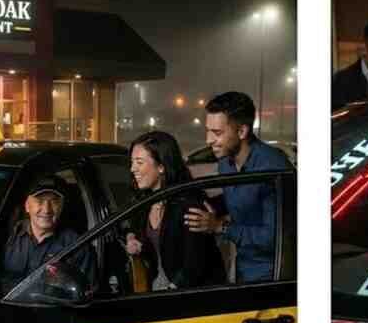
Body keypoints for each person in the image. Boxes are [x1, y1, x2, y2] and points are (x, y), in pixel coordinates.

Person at [184, 91, 294, 283]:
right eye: (208, 131)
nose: (208, 140)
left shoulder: (272, 167)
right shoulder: (225, 164)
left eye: (217, 133)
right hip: (243, 268)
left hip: (274, 274)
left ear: (242, 132)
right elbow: (238, 204)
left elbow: (275, 238)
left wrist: (220, 226)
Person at [125, 130, 225, 290]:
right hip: (156, 288)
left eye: (139, 162)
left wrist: (171, 292)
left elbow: (194, 264)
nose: (132, 169)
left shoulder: (188, 203)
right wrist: (132, 240)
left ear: (161, 167)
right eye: (132, 162)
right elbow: (131, 228)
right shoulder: (143, 201)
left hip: (189, 296)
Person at [0, 175, 94, 294]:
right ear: (27, 206)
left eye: (54, 201)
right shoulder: (7, 236)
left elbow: (85, 293)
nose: (46, 209)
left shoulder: (78, 246)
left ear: (62, 206)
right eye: (39, 201)